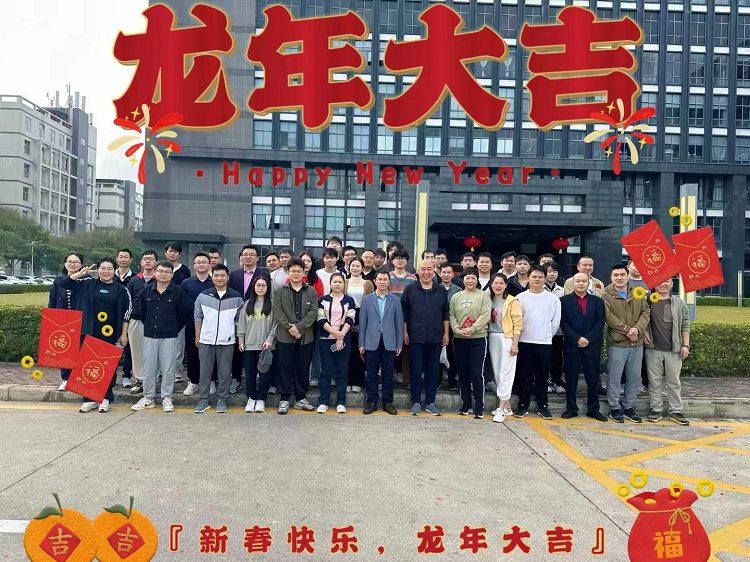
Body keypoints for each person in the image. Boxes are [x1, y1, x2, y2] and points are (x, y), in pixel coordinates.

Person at [61, 258, 131, 413]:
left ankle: (105, 398)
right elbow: (65, 283)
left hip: (110, 333)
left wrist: (123, 334)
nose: (106, 272)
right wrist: (81, 273)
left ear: (114, 271)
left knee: (107, 365)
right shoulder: (87, 284)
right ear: (98, 270)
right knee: (87, 364)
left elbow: (127, 313)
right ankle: (89, 398)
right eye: (103, 268)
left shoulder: (121, 289)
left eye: (109, 269)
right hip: (89, 330)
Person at [131, 261, 193, 413]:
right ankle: (148, 397)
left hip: (169, 336)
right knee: (149, 368)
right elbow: (142, 312)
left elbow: (185, 313)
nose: (163, 274)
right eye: (160, 271)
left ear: (172, 274)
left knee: (168, 368)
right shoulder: (146, 291)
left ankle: (167, 397)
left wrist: (174, 328)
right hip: (150, 335)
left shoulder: (178, 292)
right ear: (155, 273)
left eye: (167, 272)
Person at [193, 264, 244, 414]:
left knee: (225, 372)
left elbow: (239, 320)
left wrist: (237, 337)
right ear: (212, 277)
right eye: (216, 275)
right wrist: (197, 336)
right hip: (206, 340)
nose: (219, 278)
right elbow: (197, 317)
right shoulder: (203, 296)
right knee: (205, 372)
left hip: (227, 341)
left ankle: (222, 399)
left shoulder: (236, 297)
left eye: (222, 275)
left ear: (227, 278)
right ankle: (203, 399)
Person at [401, 259, 449, 416]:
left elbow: (445, 313)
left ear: (434, 270)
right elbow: (405, 313)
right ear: (418, 271)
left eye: (429, 269)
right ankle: (415, 401)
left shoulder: (441, 290)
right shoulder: (410, 289)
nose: (426, 272)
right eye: (423, 269)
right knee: (415, 370)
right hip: (416, 336)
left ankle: (430, 402)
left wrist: (446, 333)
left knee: (433, 371)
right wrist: (405, 332)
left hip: (435, 337)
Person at [603, 264, 650, 423]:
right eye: (615, 275)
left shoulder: (637, 293)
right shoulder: (606, 295)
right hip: (618, 342)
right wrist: (628, 330)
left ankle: (629, 407)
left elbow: (645, 312)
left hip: (636, 343)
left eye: (622, 275)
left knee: (634, 376)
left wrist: (637, 329)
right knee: (614, 377)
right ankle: (614, 407)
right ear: (611, 277)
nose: (619, 278)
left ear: (627, 275)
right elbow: (609, 317)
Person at [272, 258, 319, 414]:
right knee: (284, 367)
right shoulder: (280, 291)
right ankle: (284, 398)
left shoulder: (311, 291)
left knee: (302, 368)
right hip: (285, 336)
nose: (296, 274)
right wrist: (290, 328)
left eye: (299, 271)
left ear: (304, 272)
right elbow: (278, 312)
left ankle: (300, 398)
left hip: (306, 336)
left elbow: (313, 312)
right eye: (293, 271)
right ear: (288, 272)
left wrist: (300, 327)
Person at [515, 266, 561, 420]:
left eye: (540, 277)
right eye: (534, 276)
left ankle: (543, 406)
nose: (537, 279)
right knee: (525, 375)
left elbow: (555, 322)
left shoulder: (553, 299)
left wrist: (546, 335)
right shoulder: (520, 298)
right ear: (528, 278)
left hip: (544, 342)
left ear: (545, 278)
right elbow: (517, 320)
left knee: (542, 376)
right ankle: (523, 405)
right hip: (524, 341)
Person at [560, 273, 607, 422]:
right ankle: (571, 408)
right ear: (573, 283)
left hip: (591, 346)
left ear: (588, 283)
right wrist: (577, 338)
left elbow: (600, 322)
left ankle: (593, 409)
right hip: (572, 346)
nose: (581, 284)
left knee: (592, 380)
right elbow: (563, 322)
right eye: (578, 281)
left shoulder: (598, 301)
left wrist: (588, 339)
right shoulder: (564, 301)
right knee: (571, 380)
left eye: (584, 281)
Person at [644, 279, 691, 426]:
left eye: (667, 281)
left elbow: (685, 324)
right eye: (660, 281)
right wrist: (643, 332)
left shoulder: (679, 303)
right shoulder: (647, 301)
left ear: (672, 284)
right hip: (653, 348)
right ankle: (656, 409)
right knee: (654, 381)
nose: (663, 284)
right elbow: (639, 320)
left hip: (674, 349)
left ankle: (676, 411)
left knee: (674, 381)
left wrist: (685, 345)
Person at [228, 245, 272, 394]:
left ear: (257, 257)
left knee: (257, 352)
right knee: (238, 349)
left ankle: (261, 381)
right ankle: (236, 379)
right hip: (236, 316)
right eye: (245, 254)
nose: (248, 257)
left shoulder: (264, 275)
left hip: (258, 316)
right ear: (241, 257)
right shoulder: (234, 275)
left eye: (251, 254)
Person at [449, 267, 492, 419]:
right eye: (467, 278)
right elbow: (452, 315)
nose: (470, 280)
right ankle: (465, 404)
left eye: (473, 278)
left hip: (478, 339)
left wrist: (472, 329)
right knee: (463, 373)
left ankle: (479, 407)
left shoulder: (484, 296)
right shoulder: (456, 297)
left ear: (477, 280)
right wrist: (456, 329)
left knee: (476, 373)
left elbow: (485, 315)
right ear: (463, 280)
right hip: (460, 339)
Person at [359, 271, 403, 415]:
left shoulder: (395, 300)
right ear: (375, 281)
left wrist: (399, 343)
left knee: (388, 373)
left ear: (389, 282)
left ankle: (387, 402)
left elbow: (399, 322)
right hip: (371, 341)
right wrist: (361, 343)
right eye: (380, 279)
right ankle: (371, 401)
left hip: (390, 341)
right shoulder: (367, 300)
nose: (382, 282)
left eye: (385, 280)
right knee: (371, 373)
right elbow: (363, 323)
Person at [317, 272, 356, 413]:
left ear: (344, 284)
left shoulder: (349, 300)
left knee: (342, 371)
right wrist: (335, 334)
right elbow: (321, 319)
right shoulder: (323, 300)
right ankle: (323, 402)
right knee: (326, 371)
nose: (337, 284)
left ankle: (341, 402)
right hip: (326, 340)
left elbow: (350, 319)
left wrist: (340, 336)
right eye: (335, 282)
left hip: (344, 340)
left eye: (340, 282)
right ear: (330, 284)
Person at [237, 276, 277, 414]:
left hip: (266, 346)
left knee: (265, 374)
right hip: (249, 345)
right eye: (258, 285)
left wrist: (270, 339)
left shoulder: (272, 304)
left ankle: (261, 399)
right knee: (250, 374)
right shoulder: (247, 304)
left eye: (263, 285)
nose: (261, 288)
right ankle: (251, 398)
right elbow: (241, 324)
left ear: (268, 287)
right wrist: (241, 340)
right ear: (253, 287)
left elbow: (276, 324)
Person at [487, 273, 522, 423]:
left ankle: (500, 409)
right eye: (495, 283)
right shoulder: (488, 300)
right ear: (491, 285)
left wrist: (515, 344)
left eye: (501, 283)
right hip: (492, 336)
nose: (498, 286)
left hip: (507, 338)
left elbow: (517, 323)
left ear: (506, 285)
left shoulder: (512, 301)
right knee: (497, 373)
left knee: (506, 372)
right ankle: (507, 407)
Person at [49, 252, 84, 391]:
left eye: (76, 262)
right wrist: (51, 318)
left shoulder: (85, 280)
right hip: (62, 319)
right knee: (64, 350)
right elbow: (52, 300)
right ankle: (65, 379)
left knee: (80, 350)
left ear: (81, 264)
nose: (72, 264)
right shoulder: (59, 280)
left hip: (80, 319)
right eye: (70, 261)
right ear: (65, 264)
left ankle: (78, 379)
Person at [180, 252, 214, 396]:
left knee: (211, 354)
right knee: (192, 353)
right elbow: (182, 303)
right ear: (194, 265)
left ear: (209, 264)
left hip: (212, 324)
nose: (201, 264)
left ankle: (211, 380)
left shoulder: (214, 281)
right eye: (198, 262)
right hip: (191, 324)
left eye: (204, 262)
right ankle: (193, 381)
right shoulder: (186, 283)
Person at [125, 250, 158, 395]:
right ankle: (139, 380)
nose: (148, 261)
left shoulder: (160, 279)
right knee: (137, 351)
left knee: (154, 352)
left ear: (156, 262)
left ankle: (152, 381)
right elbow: (128, 302)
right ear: (141, 262)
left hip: (154, 321)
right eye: (145, 259)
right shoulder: (134, 280)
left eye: (151, 259)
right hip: (136, 320)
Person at [344, 258, 374, 393]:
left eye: (357, 266)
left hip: (363, 314)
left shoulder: (368, 283)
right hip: (346, 315)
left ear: (362, 268)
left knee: (360, 349)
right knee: (347, 349)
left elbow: (371, 302)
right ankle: (347, 380)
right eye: (352, 266)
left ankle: (358, 381)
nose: (355, 268)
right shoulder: (344, 282)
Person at [388, 249, 417, 386]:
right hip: (390, 316)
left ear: (407, 261)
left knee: (406, 347)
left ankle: (407, 379)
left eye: (403, 258)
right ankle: (390, 376)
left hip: (408, 316)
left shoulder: (412, 278)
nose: (400, 261)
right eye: (397, 258)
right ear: (392, 261)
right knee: (390, 346)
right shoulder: (387, 277)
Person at [164, 242, 189, 384]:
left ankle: (177, 371)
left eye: (175, 251)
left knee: (179, 344)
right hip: (162, 310)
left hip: (178, 311)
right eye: (170, 251)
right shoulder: (160, 268)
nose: (172, 253)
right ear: (165, 252)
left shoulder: (184, 270)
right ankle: (162, 370)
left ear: (179, 254)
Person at [438, 262, 461, 391]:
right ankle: (437, 380)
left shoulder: (458, 290)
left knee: (453, 355)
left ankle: (453, 381)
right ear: (440, 274)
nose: (446, 275)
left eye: (448, 272)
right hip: (438, 327)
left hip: (454, 327)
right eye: (444, 272)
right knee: (437, 355)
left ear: (453, 274)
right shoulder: (435, 288)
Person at [544, 262, 565, 395]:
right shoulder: (539, 289)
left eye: (554, 271)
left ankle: (556, 381)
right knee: (544, 358)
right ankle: (545, 381)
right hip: (542, 332)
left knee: (557, 358)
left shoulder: (562, 290)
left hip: (558, 331)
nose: (552, 274)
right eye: (549, 271)